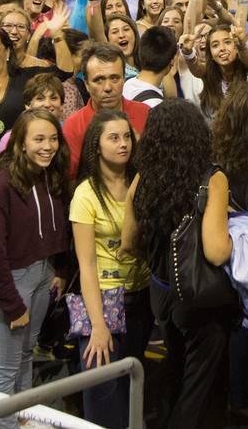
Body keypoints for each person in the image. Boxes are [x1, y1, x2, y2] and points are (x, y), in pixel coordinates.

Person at [123, 99, 236, 429]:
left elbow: (128, 242)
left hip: (160, 294)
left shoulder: (142, 179)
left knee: (175, 368)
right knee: (199, 385)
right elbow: (217, 252)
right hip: (201, 297)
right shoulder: (212, 180)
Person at [0, 107, 72, 429]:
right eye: (38, 139)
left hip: (43, 275)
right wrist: (10, 303)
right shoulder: (3, 186)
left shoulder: (51, 174)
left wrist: (59, 270)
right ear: (19, 143)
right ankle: (4, 423)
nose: (47, 146)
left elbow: (58, 228)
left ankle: (22, 417)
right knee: (6, 365)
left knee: (24, 354)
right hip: (14, 282)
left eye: (52, 138)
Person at [72, 109, 151, 429]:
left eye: (127, 137)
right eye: (113, 137)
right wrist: (98, 324)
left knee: (131, 383)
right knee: (102, 389)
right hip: (104, 300)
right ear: (96, 144)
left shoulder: (141, 182)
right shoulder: (85, 194)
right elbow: (86, 265)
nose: (123, 144)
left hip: (141, 298)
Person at [61, 42, 150, 179]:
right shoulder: (73, 127)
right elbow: (70, 181)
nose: (108, 87)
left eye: (114, 78)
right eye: (99, 80)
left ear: (124, 78)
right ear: (86, 84)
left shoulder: (146, 114)